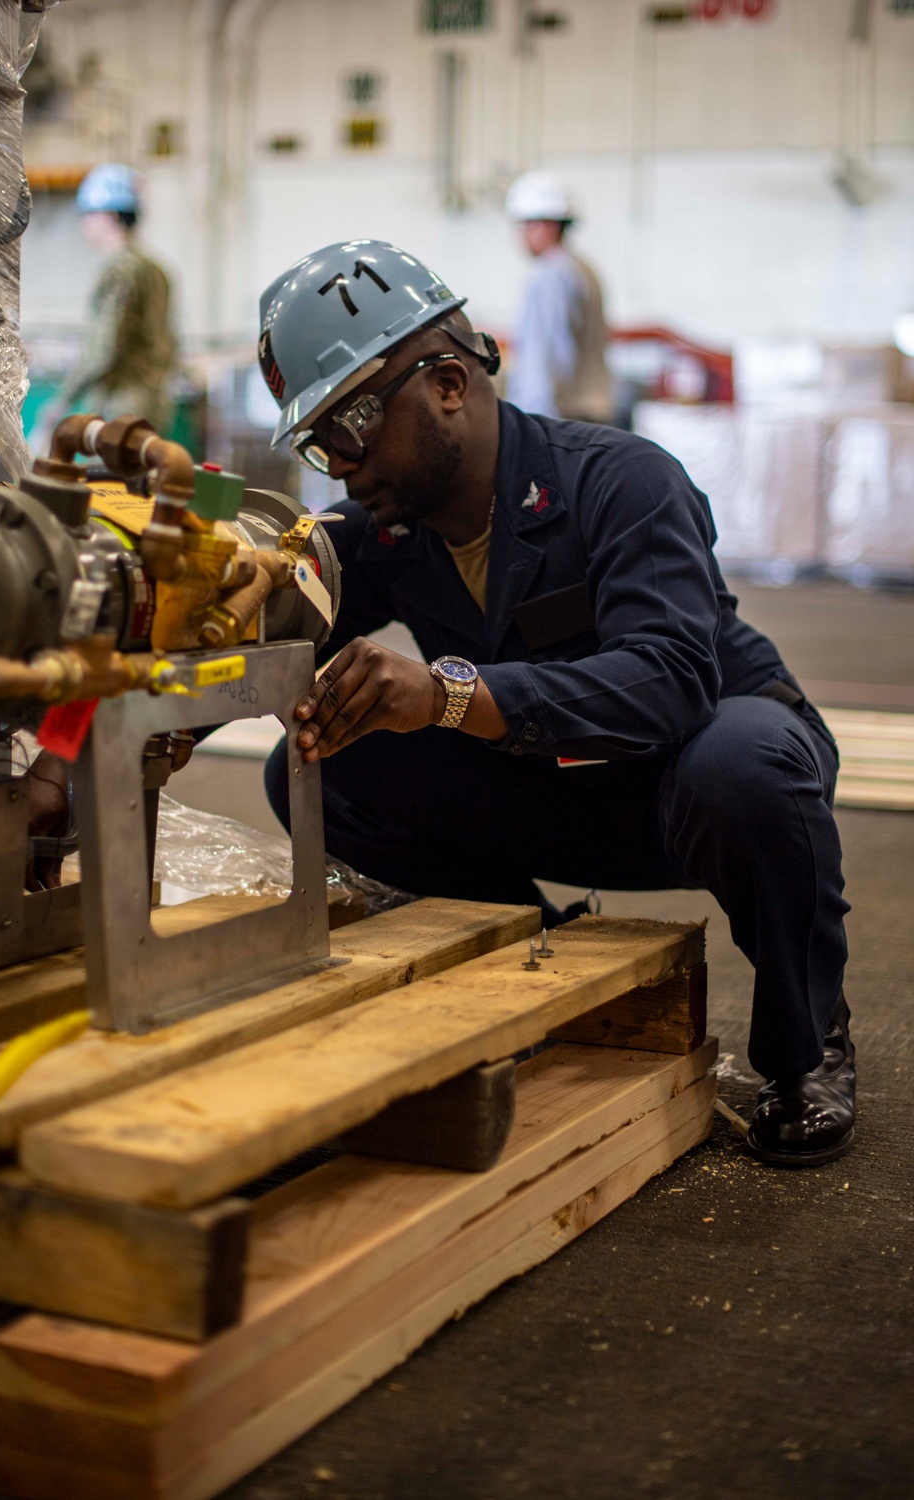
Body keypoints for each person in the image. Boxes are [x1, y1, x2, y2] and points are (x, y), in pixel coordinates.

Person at [257, 239, 854, 1169]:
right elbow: (254, 636)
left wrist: (451, 693)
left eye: (354, 426)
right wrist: (72, 761)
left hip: (689, 778)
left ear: (449, 381)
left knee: (747, 767)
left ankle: (806, 1046)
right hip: (557, 788)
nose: (340, 465)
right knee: (323, 761)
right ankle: (544, 958)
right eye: (318, 441)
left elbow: (669, 682)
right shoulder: (382, 528)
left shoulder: (619, 479)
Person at [43, 164, 176, 438]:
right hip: (156, 405)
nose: (84, 225)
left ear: (111, 216)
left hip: (121, 408)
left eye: (89, 215)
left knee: (109, 481)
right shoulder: (158, 270)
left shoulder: (118, 272)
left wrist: (61, 402)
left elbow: (103, 351)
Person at [504, 170, 613, 425]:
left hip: (557, 418)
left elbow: (546, 356)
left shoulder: (549, 275)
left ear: (549, 226)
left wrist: (530, 424)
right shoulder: (583, 268)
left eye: (528, 226)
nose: (522, 236)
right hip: (590, 413)